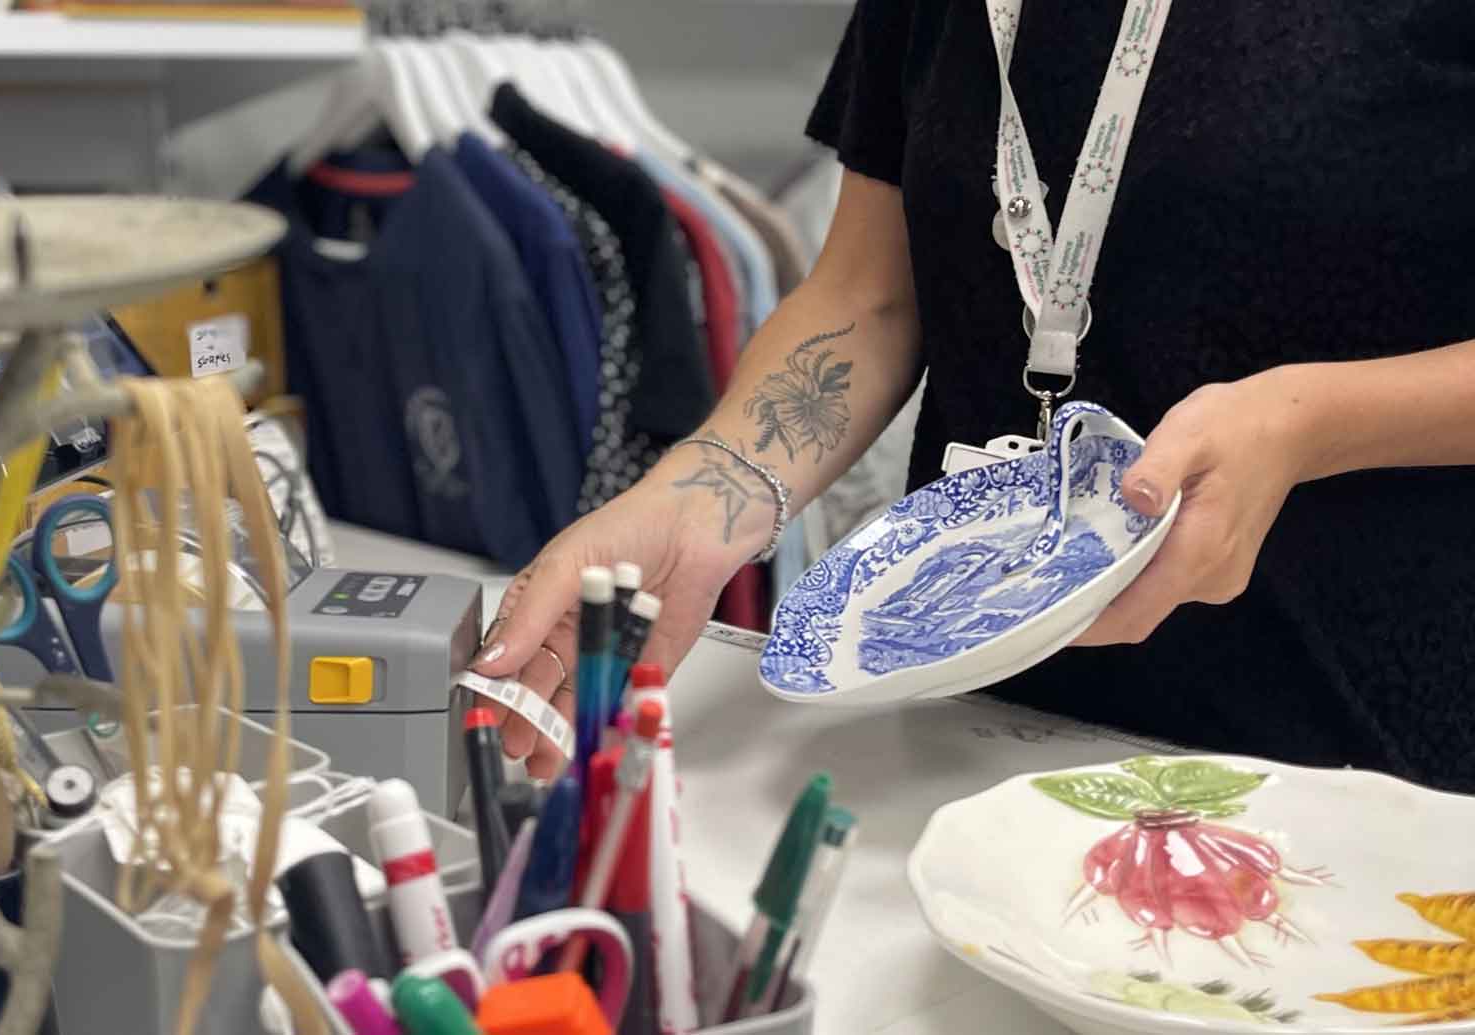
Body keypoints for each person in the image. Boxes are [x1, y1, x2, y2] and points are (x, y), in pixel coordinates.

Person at [472, 2, 1475, 792]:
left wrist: (1302, 427)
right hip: (970, 742)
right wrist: (699, 497)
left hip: (1360, 757)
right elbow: (869, 293)